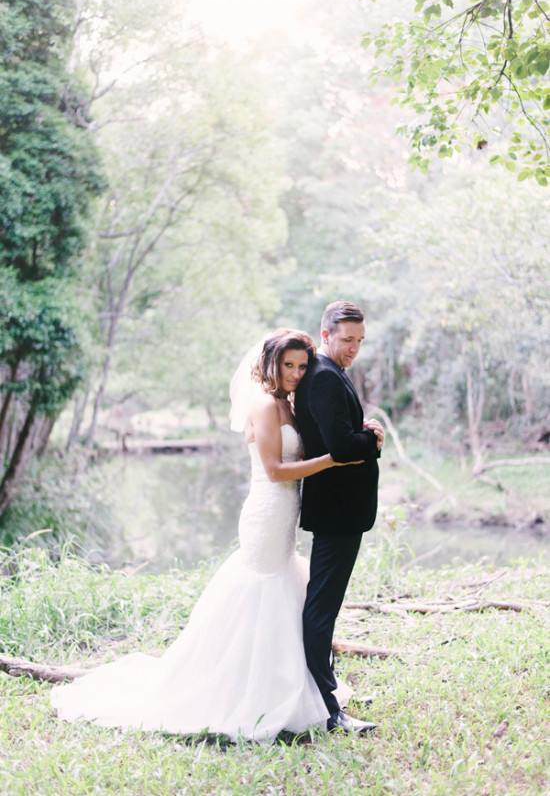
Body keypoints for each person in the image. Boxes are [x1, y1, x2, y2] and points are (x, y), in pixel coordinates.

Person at [51, 329, 357, 742]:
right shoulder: (266, 405)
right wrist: (331, 461)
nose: (296, 373)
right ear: (271, 363)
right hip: (267, 511)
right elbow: (275, 470)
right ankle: (244, 690)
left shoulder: (289, 403)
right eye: (289, 365)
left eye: (302, 366)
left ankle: (283, 682)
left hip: (287, 514)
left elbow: (301, 451)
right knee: (262, 590)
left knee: (283, 589)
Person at [294, 301, 384, 735]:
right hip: (337, 511)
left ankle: (325, 692)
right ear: (325, 335)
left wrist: (361, 433)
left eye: (360, 341)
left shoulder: (328, 373)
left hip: (340, 509)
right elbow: (343, 448)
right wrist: (372, 437)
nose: (354, 348)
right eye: (347, 340)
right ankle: (328, 709)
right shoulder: (325, 377)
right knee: (321, 609)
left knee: (322, 605)